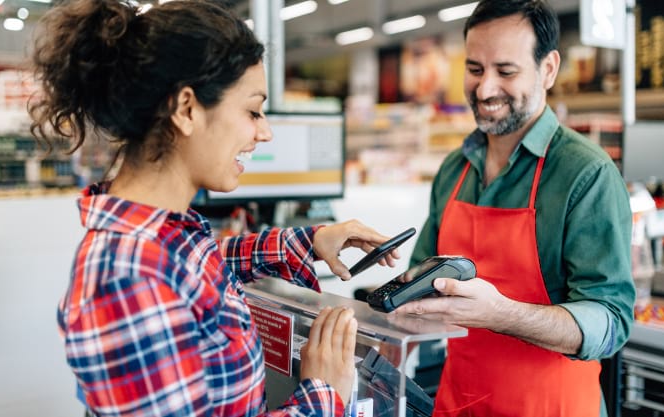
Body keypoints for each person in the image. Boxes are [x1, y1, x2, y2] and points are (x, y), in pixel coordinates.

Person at [29, 1, 399, 416]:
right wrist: (322, 395)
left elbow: (199, 267)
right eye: (252, 110)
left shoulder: (163, 236)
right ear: (186, 109)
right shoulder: (129, 277)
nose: (265, 131)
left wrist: (308, 240)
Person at [394, 1, 636, 416]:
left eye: (506, 71)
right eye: (474, 69)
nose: (485, 89)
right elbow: (420, 277)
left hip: (551, 406)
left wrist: (501, 314)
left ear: (548, 69)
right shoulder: (455, 169)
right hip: (459, 403)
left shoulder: (585, 174)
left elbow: (611, 321)